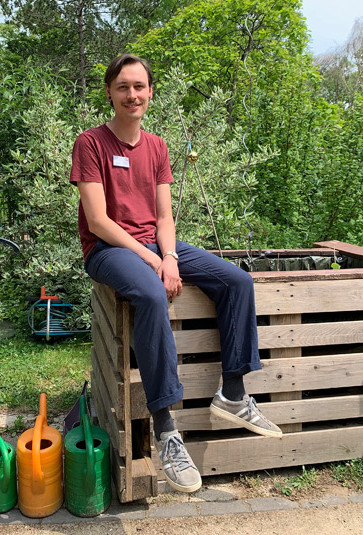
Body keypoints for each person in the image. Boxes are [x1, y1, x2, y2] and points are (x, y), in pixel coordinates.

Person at [69, 53, 281, 494]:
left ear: (150, 92)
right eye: (123, 87)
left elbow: (165, 217)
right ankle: (167, 430)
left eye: (140, 87)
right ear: (109, 92)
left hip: (153, 246)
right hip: (109, 250)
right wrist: (152, 262)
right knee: (149, 294)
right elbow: (98, 220)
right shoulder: (91, 143)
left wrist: (168, 256)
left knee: (237, 281)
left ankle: (234, 394)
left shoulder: (158, 147)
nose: (132, 95)